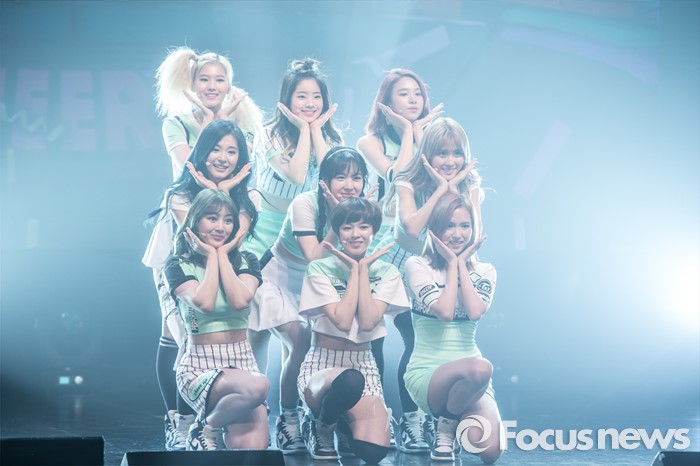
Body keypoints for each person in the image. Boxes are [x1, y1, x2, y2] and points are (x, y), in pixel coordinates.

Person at [143, 119, 258, 450]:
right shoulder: (180, 194)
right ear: (202, 151)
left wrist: (227, 189)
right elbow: (196, 235)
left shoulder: (249, 196)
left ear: (241, 158)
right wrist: (221, 189)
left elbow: (229, 236)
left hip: (224, 265)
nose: (223, 157)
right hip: (179, 266)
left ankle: (208, 420)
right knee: (181, 336)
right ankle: (180, 424)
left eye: (232, 151)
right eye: (215, 149)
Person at [249, 147, 373, 454]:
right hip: (278, 278)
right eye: (341, 177)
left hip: (315, 285)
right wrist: (337, 218)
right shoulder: (304, 203)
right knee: (301, 339)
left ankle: (320, 417)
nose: (349, 185)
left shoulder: (363, 208)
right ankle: (288, 418)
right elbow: (314, 257)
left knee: (322, 346)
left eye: (356, 177)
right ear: (324, 181)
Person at [373, 117, 483, 453]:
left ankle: (436, 419)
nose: (450, 161)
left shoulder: (471, 183)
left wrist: (457, 188)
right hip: (397, 265)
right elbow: (413, 227)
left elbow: (475, 234)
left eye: (456, 153)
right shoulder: (407, 181)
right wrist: (442, 189)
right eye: (442, 153)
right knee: (400, 340)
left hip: (442, 266)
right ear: (427, 155)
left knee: (430, 342)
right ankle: (409, 421)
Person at [356, 69, 442, 444]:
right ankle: (375, 419)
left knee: (416, 338)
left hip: (419, 246)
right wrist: (409, 133)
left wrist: (420, 134)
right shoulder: (369, 142)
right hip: (381, 245)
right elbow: (399, 175)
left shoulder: (434, 139)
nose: (412, 100)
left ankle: (414, 420)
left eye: (417, 93)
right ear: (386, 102)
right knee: (372, 339)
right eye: (403, 94)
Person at [297, 197, 410, 463]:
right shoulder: (319, 268)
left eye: (363, 226)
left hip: (364, 363)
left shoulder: (387, 272)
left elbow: (368, 322)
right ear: (337, 232)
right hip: (322, 362)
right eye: (347, 227)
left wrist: (362, 271)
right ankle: (321, 426)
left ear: (374, 231)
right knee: (349, 381)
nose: (355, 234)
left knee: (372, 452)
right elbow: (343, 321)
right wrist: (354, 272)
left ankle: (344, 425)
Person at [163, 189, 269, 451]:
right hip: (199, 365)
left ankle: (208, 426)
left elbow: (240, 300)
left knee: (253, 452)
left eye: (228, 220)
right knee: (259, 385)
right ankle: (206, 428)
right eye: (212, 218)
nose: (221, 227)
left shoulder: (247, 260)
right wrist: (212, 256)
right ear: (195, 221)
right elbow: (205, 303)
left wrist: (222, 256)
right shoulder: (177, 265)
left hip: (242, 361)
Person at [404, 193, 501, 463]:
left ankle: (448, 419)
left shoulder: (486, 270)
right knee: (481, 368)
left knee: (490, 451)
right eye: (449, 226)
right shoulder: (417, 265)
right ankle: (444, 429)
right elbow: (445, 313)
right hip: (428, 372)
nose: (457, 234)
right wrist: (450, 264)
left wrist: (459, 265)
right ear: (435, 228)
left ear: (474, 229)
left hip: (472, 380)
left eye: (464, 226)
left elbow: (475, 312)